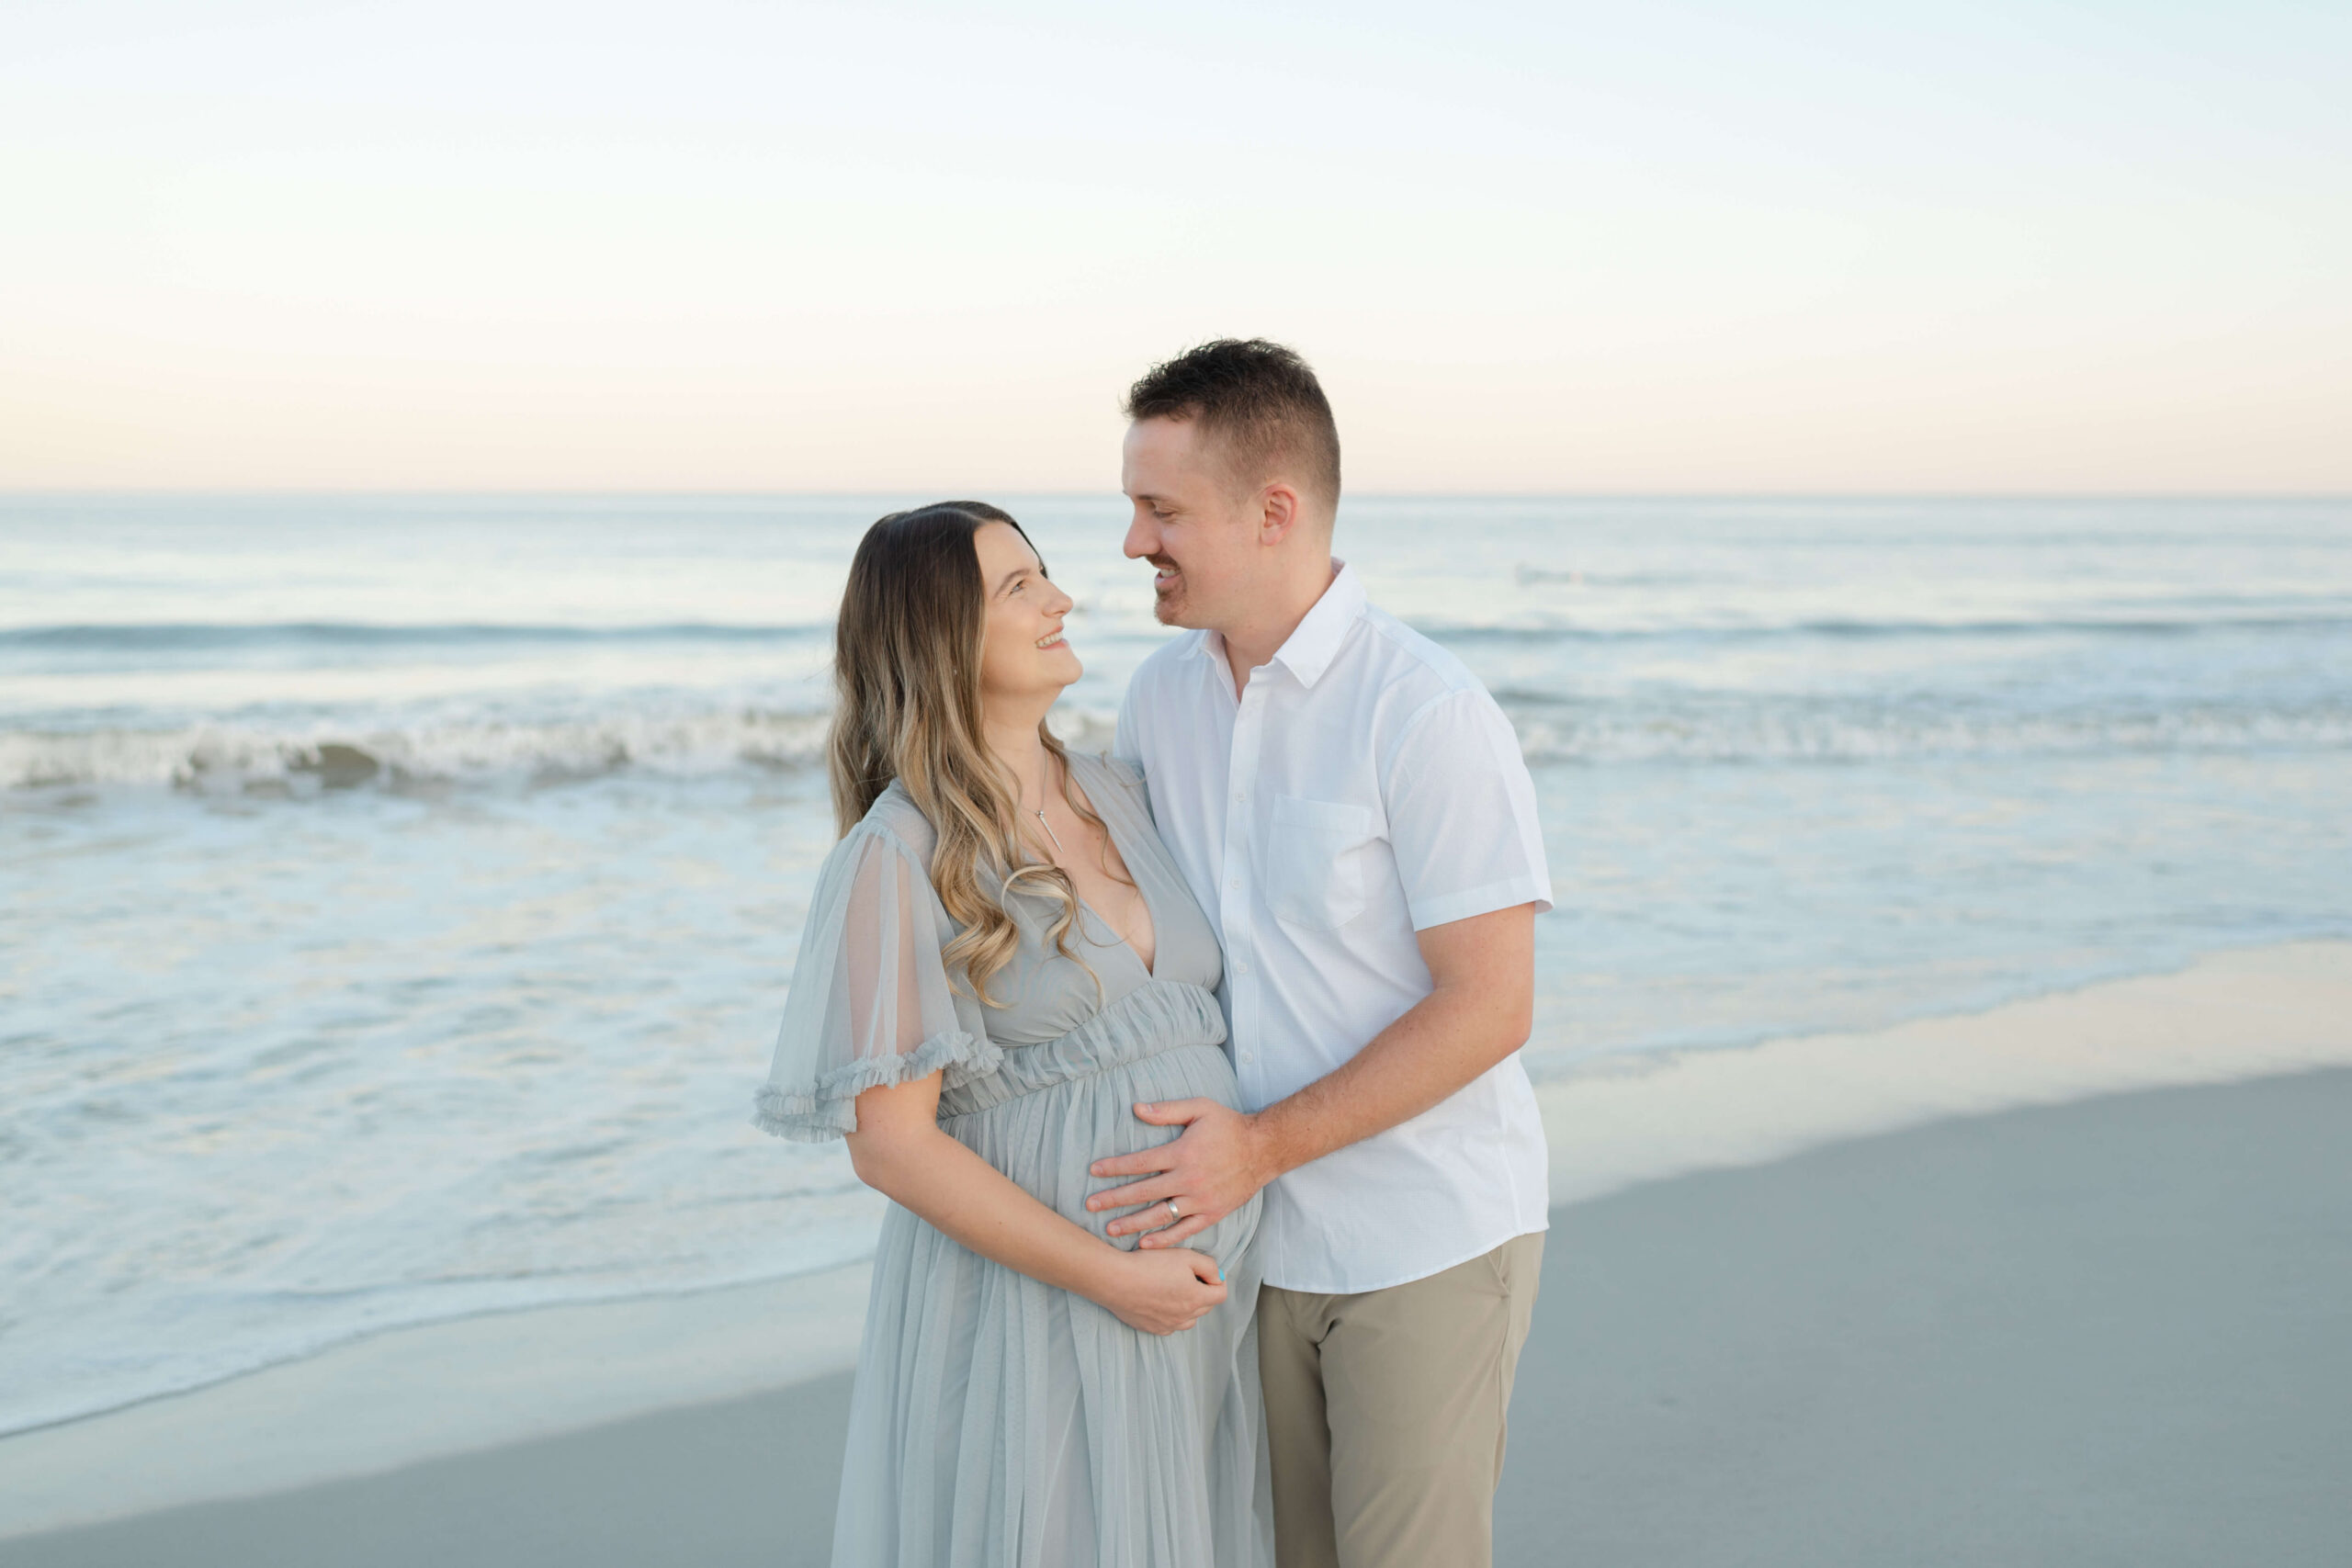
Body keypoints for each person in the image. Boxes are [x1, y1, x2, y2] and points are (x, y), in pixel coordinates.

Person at [1095, 340, 1554, 1568]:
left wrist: (1261, 1144)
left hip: (1425, 1231)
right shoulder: (1158, 702)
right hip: (1246, 1242)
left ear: (1274, 510)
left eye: (1162, 509)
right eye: (1134, 507)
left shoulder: (1427, 710)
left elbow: (1491, 1005)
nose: (1134, 542)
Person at [753, 502, 1273, 1568]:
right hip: (1043, 1310)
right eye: (1019, 587)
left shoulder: (1128, 793)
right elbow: (890, 1144)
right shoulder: (897, 853)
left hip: (1206, 1300)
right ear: (943, 636)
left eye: (1047, 575)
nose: (1062, 599)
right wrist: (1110, 1275)